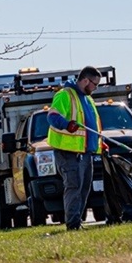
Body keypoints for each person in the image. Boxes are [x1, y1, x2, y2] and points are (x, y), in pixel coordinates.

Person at [47, 66, 107, 231]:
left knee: (84, 187)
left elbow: (91, 126)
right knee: (74, 186)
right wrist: (67, 125)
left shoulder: (88, 100)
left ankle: (77, 221)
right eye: (95, 84)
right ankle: (73, 225)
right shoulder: (65, 95)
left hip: (85, 152)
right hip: (67, 151)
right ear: (86, 80)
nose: (96, 88)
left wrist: (99, 143)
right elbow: (52, 116)